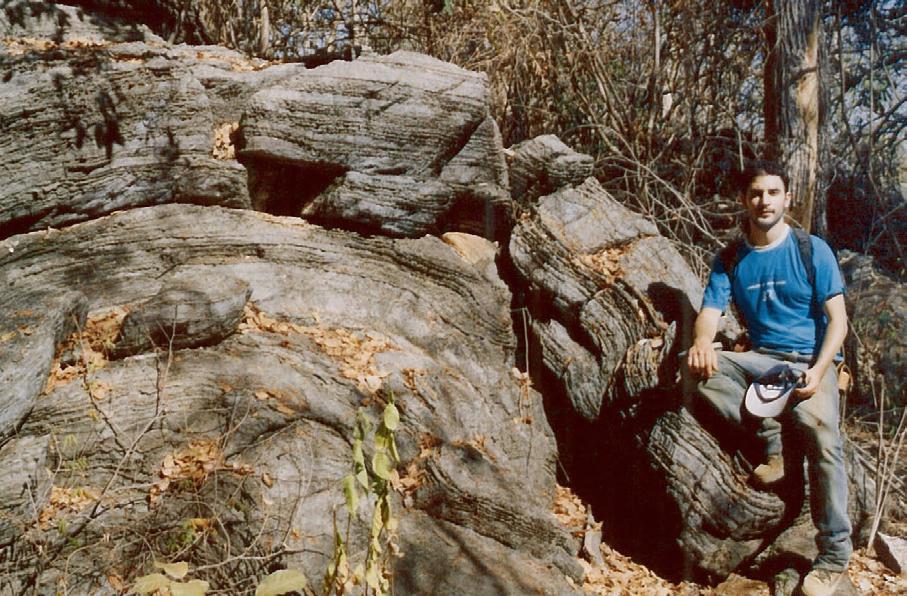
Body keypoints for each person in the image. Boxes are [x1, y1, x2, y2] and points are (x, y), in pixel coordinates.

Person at [687, 160, 851, 596]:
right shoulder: (731, 259)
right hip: (763, 362)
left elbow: (838, 321)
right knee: (702, 376)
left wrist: (819, 371)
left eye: (773, 193)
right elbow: (709, 313)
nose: (764, 201)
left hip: (812, 362)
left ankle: (834, 556)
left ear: (786, 199)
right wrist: (703, 341)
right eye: (756, 193)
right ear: (745, 200)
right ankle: (774, 436)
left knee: (823, 437)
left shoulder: (810, 249)